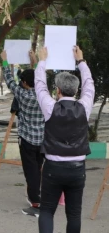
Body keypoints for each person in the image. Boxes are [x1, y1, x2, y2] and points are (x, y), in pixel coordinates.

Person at [35, 46, 94, 233]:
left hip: (53, 168)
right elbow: (90, 84)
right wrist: (81, 61)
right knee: (74, 214)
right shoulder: (84, 107)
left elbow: (39, 85)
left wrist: (42, 60)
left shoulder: (50, 107)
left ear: (58, 90)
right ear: (76, 91)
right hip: (77, 169)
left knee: (46, 211)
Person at [1, 49, 44, 217]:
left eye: (23, 81)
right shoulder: (43, 94)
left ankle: (36, 203)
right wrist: (34, 62)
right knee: (38, 168)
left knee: (30, 172)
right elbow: (38, 78)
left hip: (27, 139)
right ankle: (37, 196)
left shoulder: (22, 94)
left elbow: (9, 80)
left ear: (25, 83)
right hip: (42, 139)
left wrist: (5, 61)